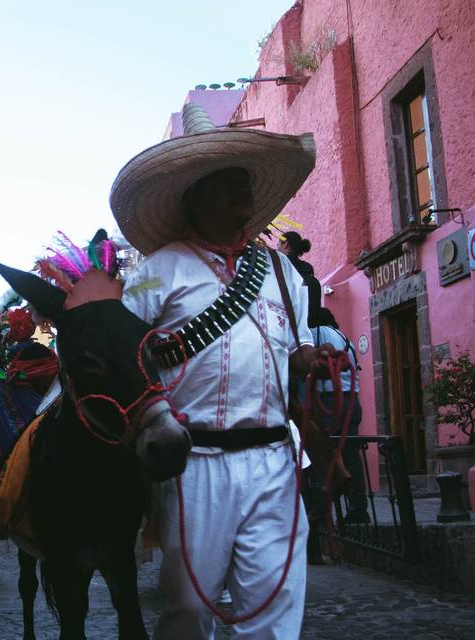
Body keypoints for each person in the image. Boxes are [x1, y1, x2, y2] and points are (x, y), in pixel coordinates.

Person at [113, 103, 344, 638]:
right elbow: (127, 350)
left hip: (274, 459)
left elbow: (293, 350)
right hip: (194, 464)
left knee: (273, 607)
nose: (244, 191)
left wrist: (308, 358)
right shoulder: (154, 272)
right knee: (189, 609)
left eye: (246, 180)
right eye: (228, 181)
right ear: (195, 193)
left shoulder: (283, 271)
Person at [310, 306, 368, 524]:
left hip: (331, 400)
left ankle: (322, 510)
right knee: (351, 454)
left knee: (322, 452)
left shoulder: (318, 332)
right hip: (352, 399)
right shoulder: (345, 339)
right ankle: (359, 506)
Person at [278, 230, 322, 325]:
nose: (277, 248)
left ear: (285, 244)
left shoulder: (278, 269)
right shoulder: (310, 276)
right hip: (310, 331)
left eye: (278, 244)